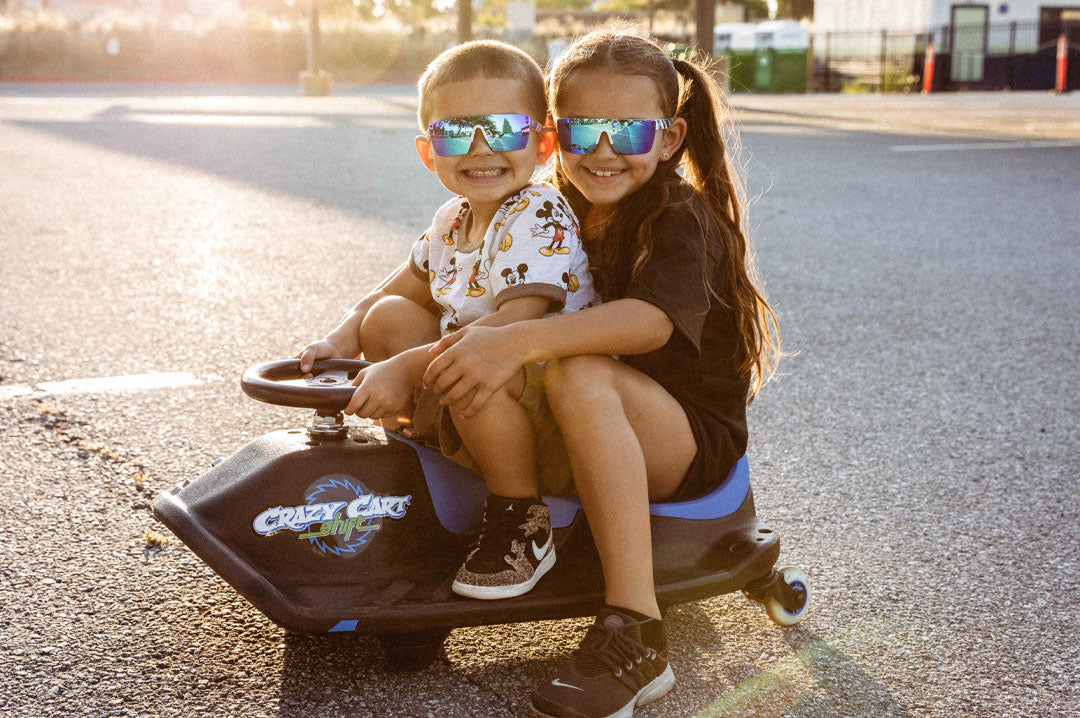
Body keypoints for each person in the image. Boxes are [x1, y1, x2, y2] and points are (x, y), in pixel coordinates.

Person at [422, 31, 781, 718]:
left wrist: (513, 342)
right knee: (473, 336)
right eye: (587, 129)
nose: (606, 150)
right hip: (599, 418)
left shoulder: (680, 217)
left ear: (670, 137)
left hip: (683, 443)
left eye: (630, 131)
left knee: (579, 371)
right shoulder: (548, 206)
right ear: (557, 134)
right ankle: (506, 516)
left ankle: (636, 631)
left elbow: (648, 322)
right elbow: (446, 267)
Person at [296, 41, 598, 602]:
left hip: (542, 394)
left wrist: (405, 371)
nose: (480, 149)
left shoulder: (539, 213)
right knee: (387, 318)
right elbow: (397, 289)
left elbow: (511, 329)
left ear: (544, 142)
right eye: (457, 133)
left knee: (473, 366)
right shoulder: (453, 217)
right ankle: (434, 461)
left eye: (503, 129)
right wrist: (342, 333)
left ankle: (521, 519)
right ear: (428, 151)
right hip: (477, 375)